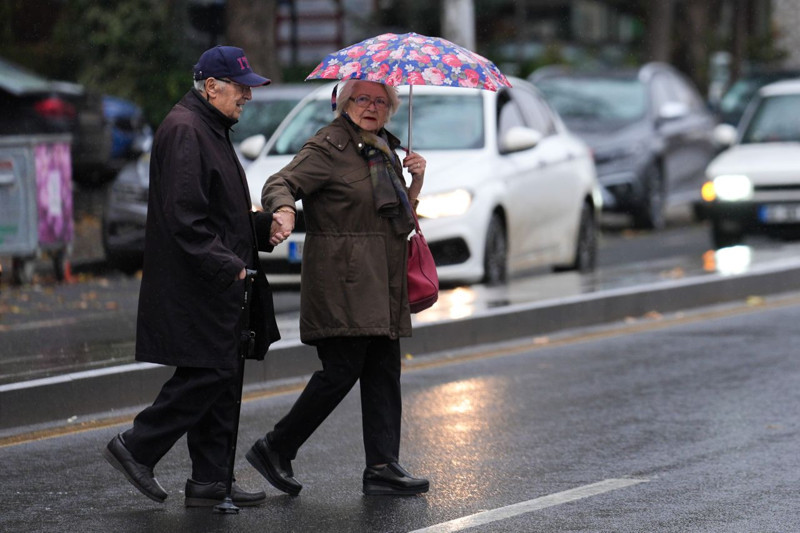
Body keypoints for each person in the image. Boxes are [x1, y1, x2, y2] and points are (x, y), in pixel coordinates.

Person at [102, 45, 283, 507]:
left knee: (222, 374)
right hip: (200, 283)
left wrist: (261, 228)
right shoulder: (187, 129)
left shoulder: (209, 125)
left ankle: (210, 482)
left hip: (216, 280)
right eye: (241, 87)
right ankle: (137, 446)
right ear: (212, 87)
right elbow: (185, 218)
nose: (248, 96)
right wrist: (230, 266)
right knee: (212, 372)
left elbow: (219, 211)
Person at [246, 79, 429, 496]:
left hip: (381, 281)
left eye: (380, 101)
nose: (371, 107)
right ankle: (276, 447)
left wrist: (415, 184)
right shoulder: (329, 145)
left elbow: (396, 221)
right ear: (345, 103)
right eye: (362, 99)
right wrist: (284, 210)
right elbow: (279, 182)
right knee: (341, 371)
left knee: (384, 369)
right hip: (343, 280)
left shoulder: (383, 150)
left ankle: (382, 466)